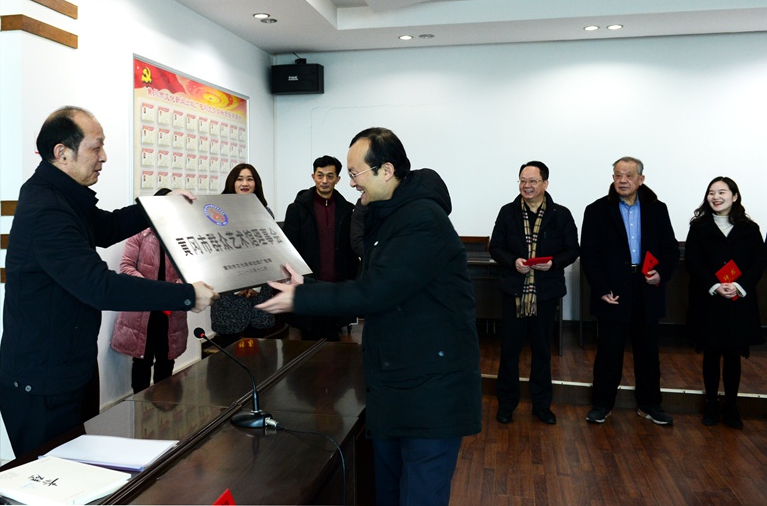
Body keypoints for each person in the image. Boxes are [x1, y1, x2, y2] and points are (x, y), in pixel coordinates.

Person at [257, 127, 482, 506]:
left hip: (431, 392)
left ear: (386, 170)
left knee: (420, 496)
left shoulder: (422, 220)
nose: (350, 182)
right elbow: (371, 286)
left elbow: (376, 292)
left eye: (355, 173)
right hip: (395, 385)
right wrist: (305, 285)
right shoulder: (386, 215)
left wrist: (303, 296)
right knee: (386, 494)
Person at [0, 106, 219, 457]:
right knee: (53, 475)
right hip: (42, 382)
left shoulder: (63, 195)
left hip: (72, 367)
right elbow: (100, 287)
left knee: (81, 470)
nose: (103, 157)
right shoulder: (47, 209)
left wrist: (161, 204)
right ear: (62, 153)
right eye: (96, 147)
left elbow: (108, 227)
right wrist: (187, 296)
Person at [580, 157, 679, 426]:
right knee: (608, 351)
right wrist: (601, 289)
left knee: (648, 352)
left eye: (629, 175)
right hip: (613, 291)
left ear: (641, 179)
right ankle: (602, 404)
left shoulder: (657, 209)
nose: (622, 180)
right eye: (617, 175)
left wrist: (661, 273)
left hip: (647, 287)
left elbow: (670, 249)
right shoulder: (597, 210)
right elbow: (589, 254)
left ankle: (650, 404)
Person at [489, 161, 579, 425]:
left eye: (532, 181)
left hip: (545, 292)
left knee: (542, 351)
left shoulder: (560, 214)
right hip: (514, 291)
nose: (526, 186)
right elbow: (496, 247)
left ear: (545, 184)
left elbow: (572, 249)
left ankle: (542, 406)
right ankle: (506, 404)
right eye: (522, 181)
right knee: (509, 351)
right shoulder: (508, 212)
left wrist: (553, 263)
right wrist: (513, 262)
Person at [685, 177, 765, 429]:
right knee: (711, 354)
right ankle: (711, 404)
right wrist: (715, 285)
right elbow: (693, 262)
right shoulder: (699, 227)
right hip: (709, 300)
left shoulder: (749, 228)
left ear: (735, 196)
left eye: (722, 192)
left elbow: (758, 263)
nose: (716, 197)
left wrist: (738, 286)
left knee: (733, 355)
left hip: (738, 301)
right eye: (711, 192)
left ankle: (731, 406)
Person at [111, 188, 189, 393]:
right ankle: (138, 406)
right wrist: (151, 292)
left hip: (170, 308)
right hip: (143, 308)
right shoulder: (139, 233)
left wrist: (171, 292)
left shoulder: (183, 235)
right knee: (141, 361)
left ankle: (163, 407)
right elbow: (126, 266)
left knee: (166, 360)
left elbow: (190, 271)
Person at [282, 155, 360, 341]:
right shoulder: (297, 209)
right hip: (307, 286)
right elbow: (289, 249)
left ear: (338, 179)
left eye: (330, 176)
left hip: (336, 287)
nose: (324, 180)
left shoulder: (347, 210)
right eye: (320, 175)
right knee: (307, 340)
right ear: (313, 177)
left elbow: (351, 251)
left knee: (334, 343)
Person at [209, 164, 275, 347]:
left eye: (249, 179)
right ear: (232, 183)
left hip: (259, 294)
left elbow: (270, 252)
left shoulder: (266, 213)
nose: (244, 183)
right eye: (239, 179)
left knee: (260, 354)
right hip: (229, 295)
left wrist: (256, 286)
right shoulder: (216, 213)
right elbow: (216, 254)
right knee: (228, 353)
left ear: (256, 184)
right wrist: (238, 286)